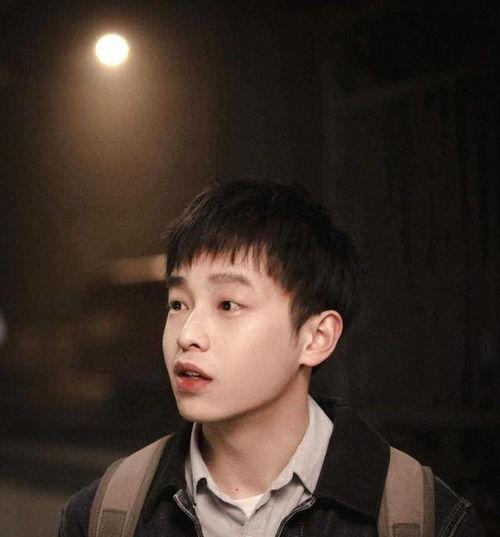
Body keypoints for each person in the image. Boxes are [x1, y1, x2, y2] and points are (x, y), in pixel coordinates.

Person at [59, 178, 483, 536]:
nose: (187, 335)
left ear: (316, 337)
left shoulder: (422, 519)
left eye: (228, 305)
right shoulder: (107, 514)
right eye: (178, 304)